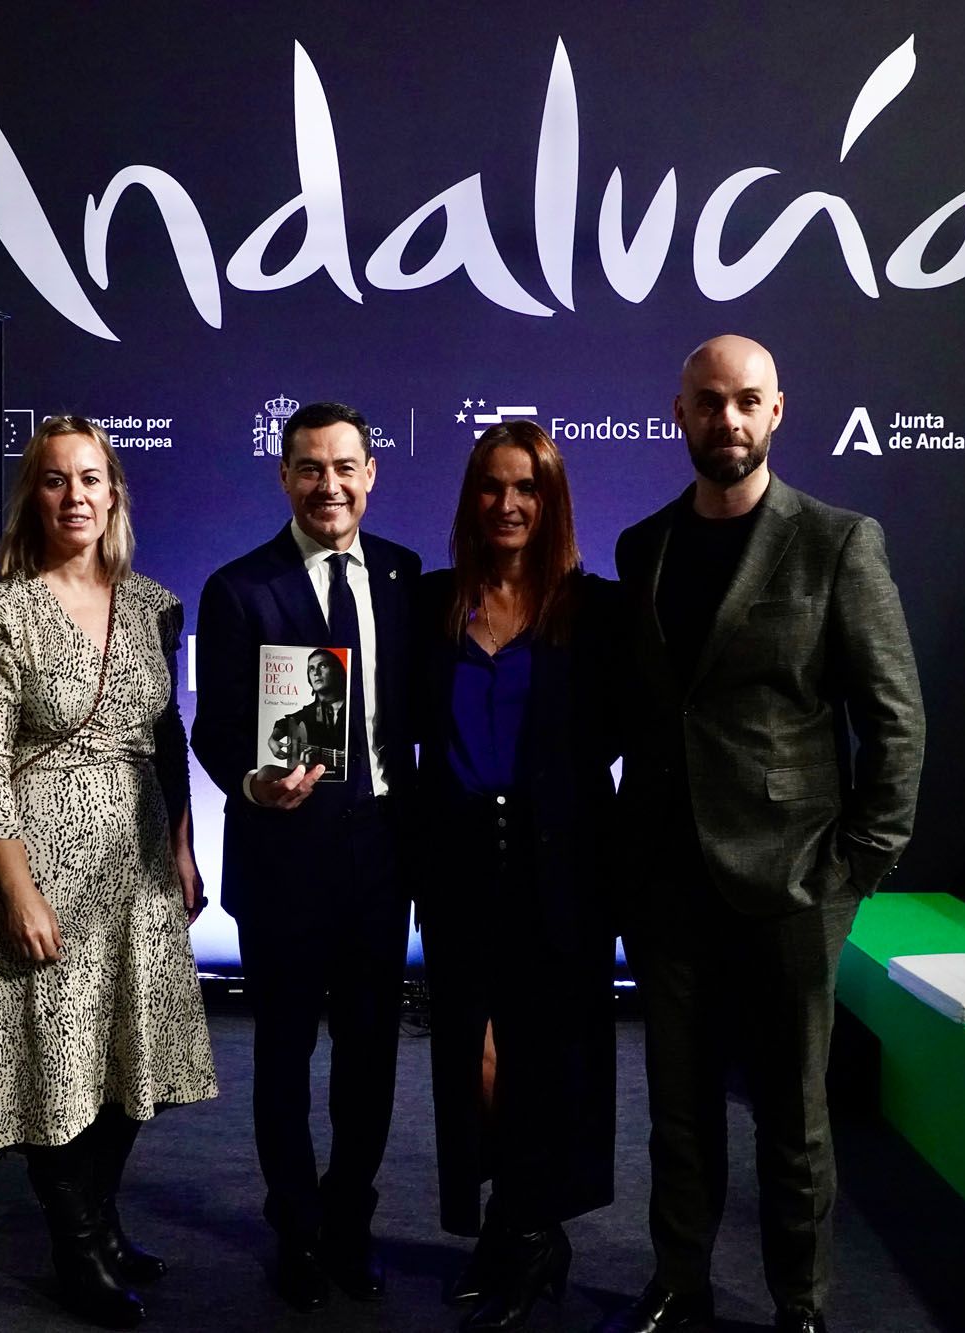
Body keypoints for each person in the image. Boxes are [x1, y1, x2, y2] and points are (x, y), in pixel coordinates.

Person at [597, 335, 925, 1333]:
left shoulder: (835, 541)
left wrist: (858, 864)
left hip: (793, 880)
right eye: (707, 402)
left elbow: (894, 717)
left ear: (776, 411)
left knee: (793, 1119)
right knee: (677, 1111)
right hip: (665, 880)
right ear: (678, 412)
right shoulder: (641, 547)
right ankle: (677, 1280)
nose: (726, 421)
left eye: (745, 402)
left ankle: (801, 1304)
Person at [0, 415, 218, 1330]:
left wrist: (183, 849)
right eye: (58, 480)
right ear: (37, 496)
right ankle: (77, 1246)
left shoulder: (154, 604)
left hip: (138, 860)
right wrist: (16, 887)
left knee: (126, 1060)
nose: (76, 496)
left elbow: (168, 737)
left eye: (92, 479)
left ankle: (99, 1221)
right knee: (55, 1066)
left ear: (115, 495)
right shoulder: (0, 613)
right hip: (45, 864)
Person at [191, 401, 421, 1312]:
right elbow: (210, 731)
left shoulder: (405, 576)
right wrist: (250, 782)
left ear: (371, 474)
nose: (329, 485)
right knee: (283, 1057)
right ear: (283, 476)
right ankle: (294, 1224)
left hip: (379, 858)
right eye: (309, 468)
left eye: (344, 467)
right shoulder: (239, 585)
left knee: (370, 1059)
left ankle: (349, 1220)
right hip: (280, 855)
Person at [411, 422, 620, 1333]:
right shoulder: (431, 604)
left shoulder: (593, 610)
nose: (508, 505)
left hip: (561, 864)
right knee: (477, 1056)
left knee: (549, 1056)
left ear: (551, 501)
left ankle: (530, 1236)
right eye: (493, 488)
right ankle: (510, 1221)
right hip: (458, 863)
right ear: (471, 500)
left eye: (526, 489)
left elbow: (617, 737)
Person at [268, 648, 349, 773]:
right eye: (311, 668)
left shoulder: (355, 708)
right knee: (265, 772)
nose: (316, 673)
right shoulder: (311, 711)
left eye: (322, 666)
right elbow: (285, 723)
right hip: (316, 780)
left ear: (336, 670)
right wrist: (273, 739)